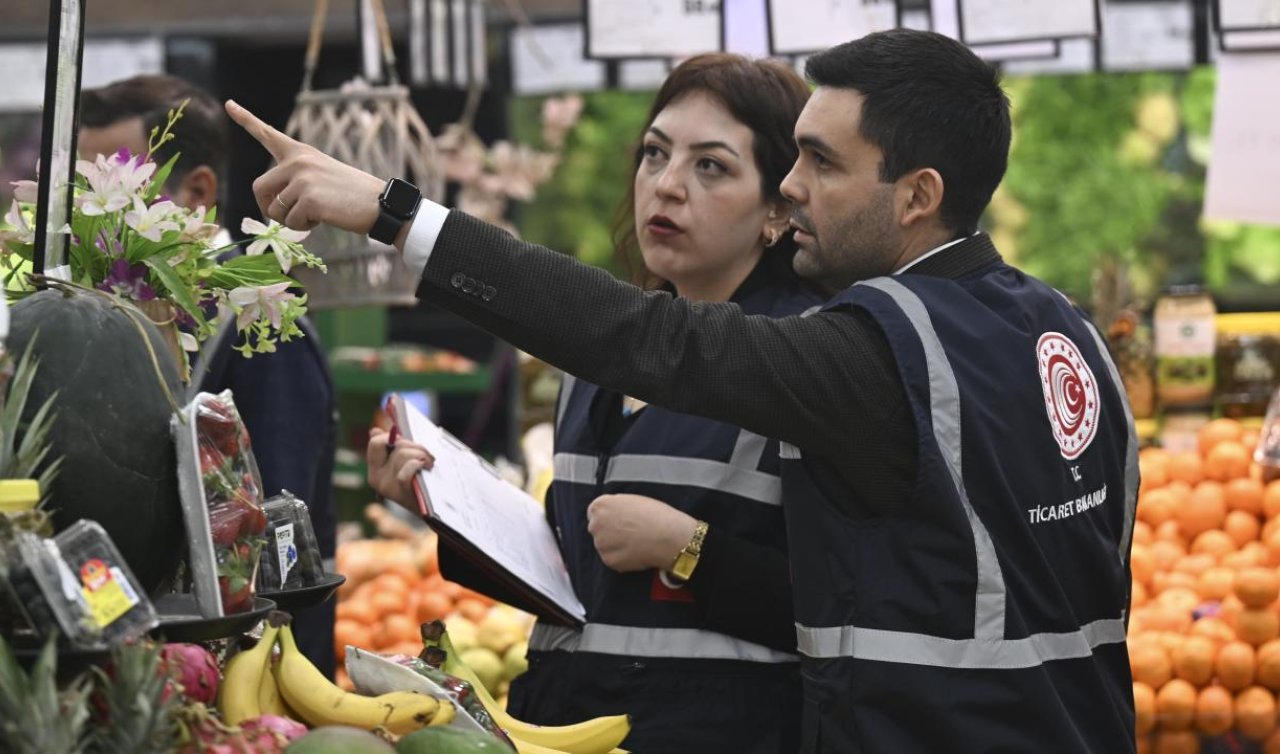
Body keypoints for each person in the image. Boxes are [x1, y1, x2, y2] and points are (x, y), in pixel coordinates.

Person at [230, 28, 1138, 753]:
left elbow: (638, 336)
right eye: (657, 155)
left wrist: (395, 212)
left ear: (917, 196)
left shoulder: (874, 346)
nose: (793, 185)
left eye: (821, 163)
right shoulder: (1066, 332)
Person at [368, 54, 822, 753]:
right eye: (655, 154)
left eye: (712, 166)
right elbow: (576, 575)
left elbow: (854, 600)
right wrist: (439, 506)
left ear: (776, 209)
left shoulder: (800, 358)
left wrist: (689, 549)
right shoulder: (596, 359)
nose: (666, 186)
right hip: (561, 723)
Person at [79, 74, 341, 678]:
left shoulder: (259, 322)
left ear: (197, 191)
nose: (87, 215)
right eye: (82, 190)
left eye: (119, 190)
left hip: (252, 678)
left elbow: (274, 538)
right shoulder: (118, 317)